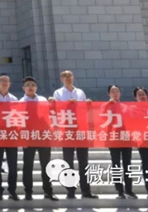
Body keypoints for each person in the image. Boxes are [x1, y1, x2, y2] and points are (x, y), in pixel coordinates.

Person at [51, 70, 98, 199]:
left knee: (84, 162)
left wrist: (87, 104)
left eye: (69, 76)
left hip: (81, 130)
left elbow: (85, 110)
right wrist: (68, 105)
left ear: (73, 77)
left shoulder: (80, 92)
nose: (68, 78)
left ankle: (86, 191)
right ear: (61, 79)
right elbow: (56, 110)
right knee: (68, 162)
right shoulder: (58, 93)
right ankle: (70, 191)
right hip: (67, 130)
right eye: (65, 76)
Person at [20, 76, 57, 201]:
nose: (30, 87)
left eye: (32, 85)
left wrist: (52, 104)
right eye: (27, 85)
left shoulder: (43, 100)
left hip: (43, 136)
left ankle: (48, 191)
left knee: (46, 165)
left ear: (36, 87)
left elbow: (50, 116)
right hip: (28, 137)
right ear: (23, 88)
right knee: (28, 166)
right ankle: (28, 192)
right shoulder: (20, 102)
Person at [105, 85, 136, 199]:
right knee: (116, 165)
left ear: (120, 93)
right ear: (109, 94)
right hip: (114, 139)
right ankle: (119, 190)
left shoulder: (125, 106)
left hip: (126, 138)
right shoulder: (105, 107)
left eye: (117, 91)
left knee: (127, 164)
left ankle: (129, 189)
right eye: (113, 91)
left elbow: (131, 120)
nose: (115, 93)